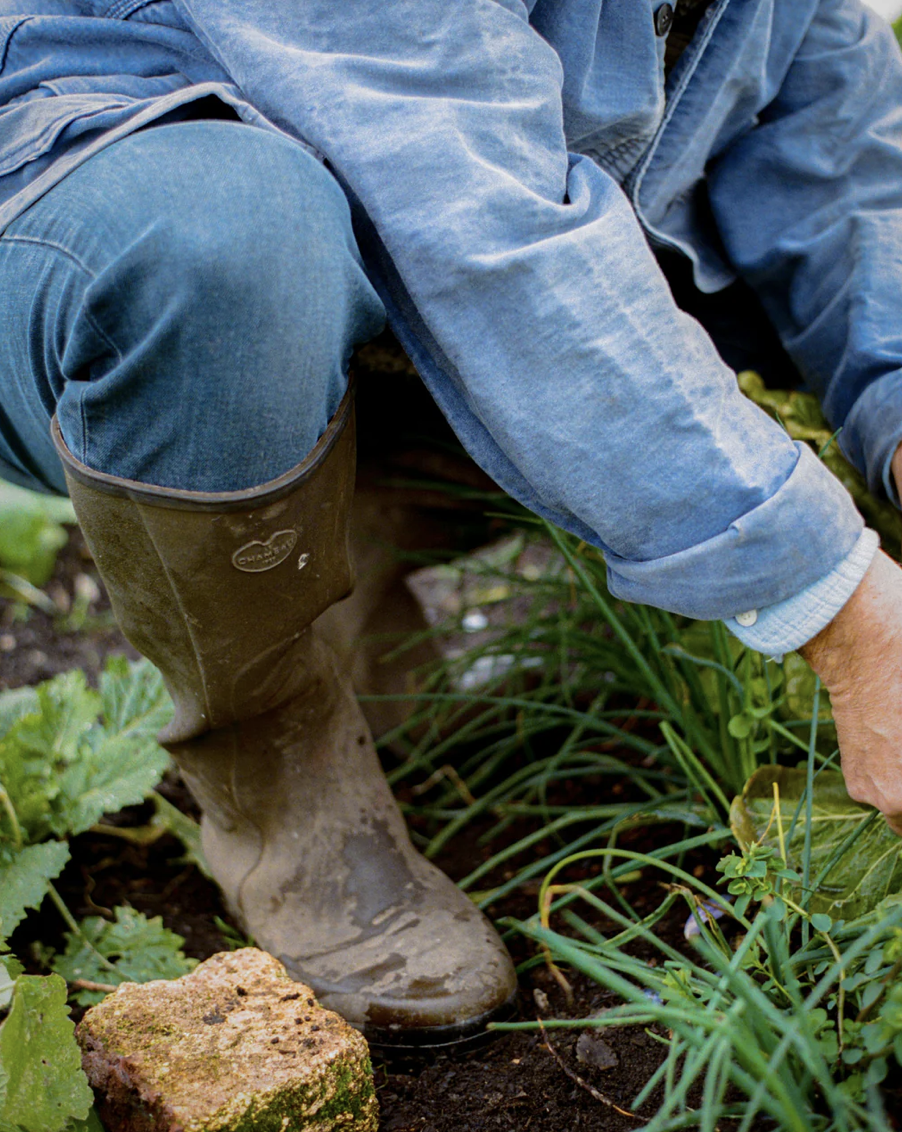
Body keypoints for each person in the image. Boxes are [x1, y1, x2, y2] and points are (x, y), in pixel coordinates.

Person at [2, 0, 902, 1049]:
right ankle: (285, 802)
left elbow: (840, 181)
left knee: (672, 270)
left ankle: (338, 580)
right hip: (83, 203)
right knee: (227, 237)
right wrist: (854, 624)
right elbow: (477, 223)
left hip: (399, 213)